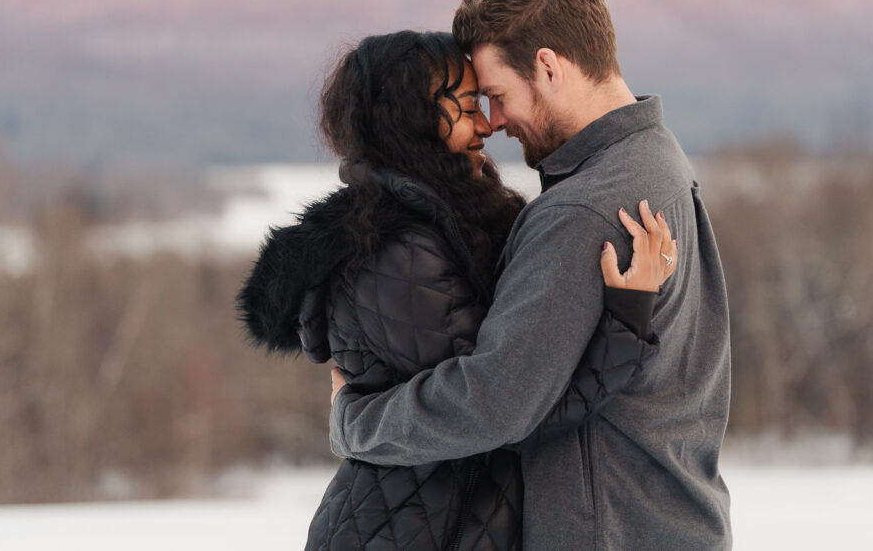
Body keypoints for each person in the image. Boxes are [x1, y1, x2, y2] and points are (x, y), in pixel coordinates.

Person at [328, 0, 733, 550]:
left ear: (547, 66)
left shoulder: (584, 211)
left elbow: (493, 401)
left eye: (496, 96)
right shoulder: (655, 156)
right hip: (668, 521)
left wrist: (356, 422)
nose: (492, 123)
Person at [237, 30, 678, 550]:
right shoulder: (396, 252)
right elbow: (506, 408)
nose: (487, 124)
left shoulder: (456, 222)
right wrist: (626, 320)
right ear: (411, 117)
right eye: (468, 104)